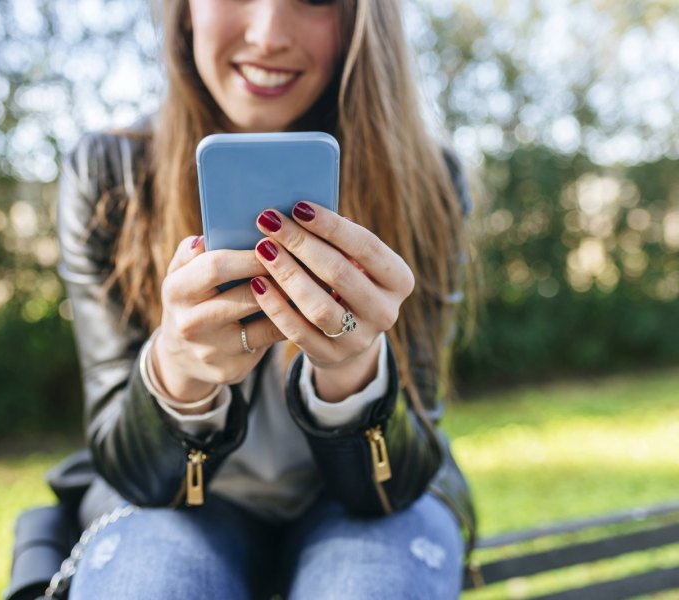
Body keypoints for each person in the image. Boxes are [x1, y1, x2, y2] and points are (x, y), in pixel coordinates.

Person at [56, 0, 476, 598]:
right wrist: (177, 369)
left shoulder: (427, 181)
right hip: (182, 510)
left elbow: (392, 485)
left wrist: (353, 370)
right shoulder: (108, 174)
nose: (268, 34)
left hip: (364, 509)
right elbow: (130, 472)